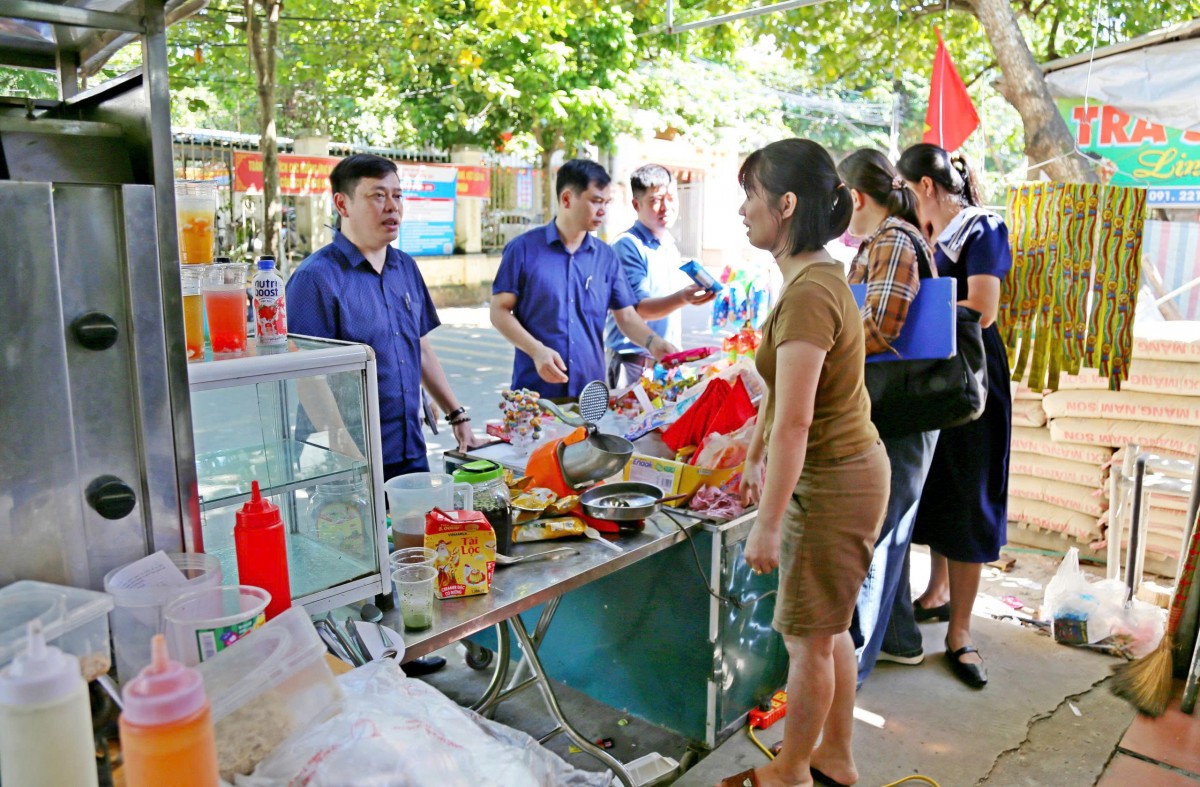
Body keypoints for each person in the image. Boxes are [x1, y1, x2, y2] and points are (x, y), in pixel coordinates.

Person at [719, 139, 890, 787]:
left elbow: (797, 419)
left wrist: (765, 522)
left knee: (806, 639)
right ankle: (834, 758)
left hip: (834, 481)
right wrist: (755, 446)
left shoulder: (812, 292)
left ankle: (788, 774)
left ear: (786, 205)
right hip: (844, 472)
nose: (743, 210)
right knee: (828, 629)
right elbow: (786, 403)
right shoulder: (814, 278)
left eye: (752, 196)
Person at [287, 153, 483, 676]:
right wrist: (342, 445)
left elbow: (419, 348)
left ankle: (404, 650)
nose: (392, 207)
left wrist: (456, 412)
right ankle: (360, 667)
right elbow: (310, 373)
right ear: (341, 203)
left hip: (405, 441)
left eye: (397, 195)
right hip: (344, 452)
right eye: (378, 195)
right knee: (353, 556)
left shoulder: (403, 268)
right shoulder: (315, 279)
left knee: (406, 550)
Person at [897, 143, 1013, 689]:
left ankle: (961, 635)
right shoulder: (927, 237)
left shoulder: (981, 228)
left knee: (970, 500)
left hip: (971, 382)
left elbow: (983, 307)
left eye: (903, 187)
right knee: (940, 490)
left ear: (924, 186)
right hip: (933, 379)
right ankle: (938, 593)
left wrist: (910, 314)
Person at [837, 149, 940, 688]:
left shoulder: (894, 240)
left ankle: (854, 662)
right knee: (890, 529)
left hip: (902, 411)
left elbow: (882, 328)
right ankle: (900, 639)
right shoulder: (884, 241)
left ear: (855, 197)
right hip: (894, 408)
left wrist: (826, 341)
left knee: (874, 538)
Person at [490, 158, 678, 399]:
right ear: (567, 199)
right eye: (595, 201)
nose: (603, 210)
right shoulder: (523, 250)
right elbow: (499, 311)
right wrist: (536, 351)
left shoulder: (606, 257)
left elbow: (627, 316)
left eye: (606, 203)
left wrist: (653, 342)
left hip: (591, 393)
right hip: (536, 394)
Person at [603, 163, 715, 388]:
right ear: (637, 204)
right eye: (655, 201)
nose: (666, 207)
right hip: (633, 364)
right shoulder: (627, 246)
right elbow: (639, 309)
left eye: (671, 198)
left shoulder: (669, 245)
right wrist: (683, 297)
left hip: (665, 363)